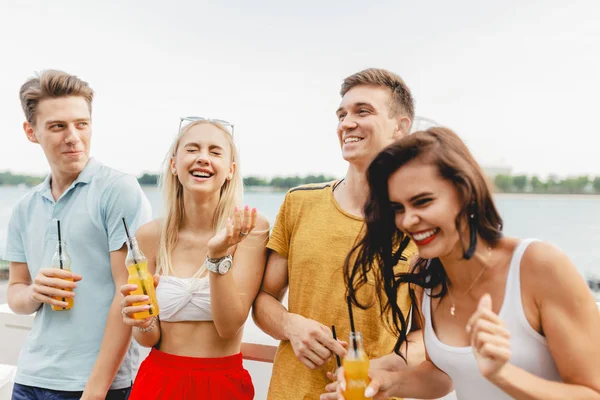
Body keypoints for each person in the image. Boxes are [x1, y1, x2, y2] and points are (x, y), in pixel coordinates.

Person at [336, 127, 600, 399]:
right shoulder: (424, 275)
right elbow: (443, 375)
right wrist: (387, 383)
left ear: (466, 193)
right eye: (397, 209)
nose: (408, 220)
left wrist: (504, 375)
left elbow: (592, 393)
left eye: (422, 202)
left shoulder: (539, 266)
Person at [252, 68, 423, 400]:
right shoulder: (298, 203)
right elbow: (263, 301)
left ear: (400, 128)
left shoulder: (418, 222)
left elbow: (425, 339)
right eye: (342, 114)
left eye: (363, 111)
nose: (346, 123)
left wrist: (375, 371)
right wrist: (290, 325)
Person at [5, 70, 152, 400]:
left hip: (96, 385)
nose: (73, 136)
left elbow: (126, 293)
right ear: (31, 132)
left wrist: (95, 391)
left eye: (81, 124)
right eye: (58, 126)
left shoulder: (118, 190)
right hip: (30, 379)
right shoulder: (24, 208)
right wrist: (34, 293)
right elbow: (16, 291)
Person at [119, 117, 270, 399]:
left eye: (215, 152)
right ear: (174, 165)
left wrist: (217, 256)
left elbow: (229, 326)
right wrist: (141, 320)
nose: (203, 158)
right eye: (192, 149)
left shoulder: (250, 227)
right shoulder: (150, 236)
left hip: (221, 384)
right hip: (157, 381)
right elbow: (148, 338)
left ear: (229, 170)